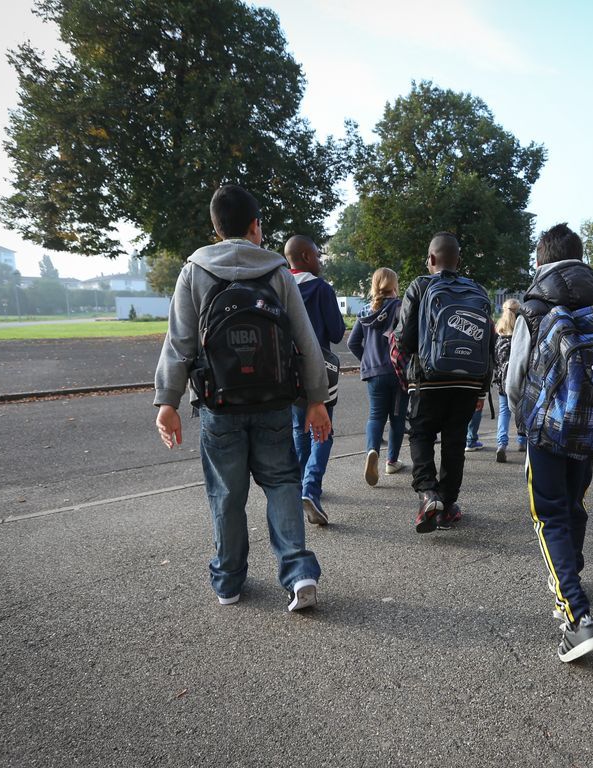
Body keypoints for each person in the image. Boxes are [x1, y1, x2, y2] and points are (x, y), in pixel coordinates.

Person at [153, 184, 332, 611]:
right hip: (273, 401)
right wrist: (316, 399)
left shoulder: (195, 270)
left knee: (226, 493)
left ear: (215, 228)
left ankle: (229, 581)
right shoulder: (276, 271)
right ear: (256, 226)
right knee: (284, 484)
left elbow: (179, 343)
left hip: (220, 404)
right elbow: (305, 340)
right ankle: (298, 571)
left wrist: (168, 401)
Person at [507, 223, 593, 663]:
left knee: (548, 514)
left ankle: (575, 616)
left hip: (548, 428)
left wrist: (525, 420)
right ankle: (570, 571)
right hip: (592, 425)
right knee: (575, 503)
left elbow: (516, 378)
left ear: (540, 259)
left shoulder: (534, 307)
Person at [393, 233, 494, 532]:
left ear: (432, 259)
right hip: (468, 381)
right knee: (455, 440)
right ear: (458, 260)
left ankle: (428, 493)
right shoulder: (478, 290)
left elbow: (404, 338)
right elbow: (488, 344)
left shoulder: (421, 286)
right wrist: (482, 388)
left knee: (421, 434)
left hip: (429, 378)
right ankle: (447, 506)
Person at [284, 235, 346, 527]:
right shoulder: (321, 288)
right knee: (323, 430)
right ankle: (311, 487)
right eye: (318, 255)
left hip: (286, 370)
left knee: (299, 427)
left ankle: (298, 487)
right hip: (319, 370)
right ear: (307, 256)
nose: (321, 261)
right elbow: (335, 332)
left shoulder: (278, 286)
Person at [347, 267, 408, 486]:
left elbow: (352, 343)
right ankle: (391, 461)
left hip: (374, 372)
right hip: (398, 372)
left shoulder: (365, 311)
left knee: (375, 416)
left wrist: (367, 360)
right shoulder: (401, 308)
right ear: (394, 284)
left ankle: (372, 450)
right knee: (397, 418)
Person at [493, 298, 527, 463]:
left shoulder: (499, 332)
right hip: (520, 379)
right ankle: (522, 441)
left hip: (502, 380)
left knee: (504, 412)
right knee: (522, 410)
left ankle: (501, 444)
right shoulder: (522, 332)